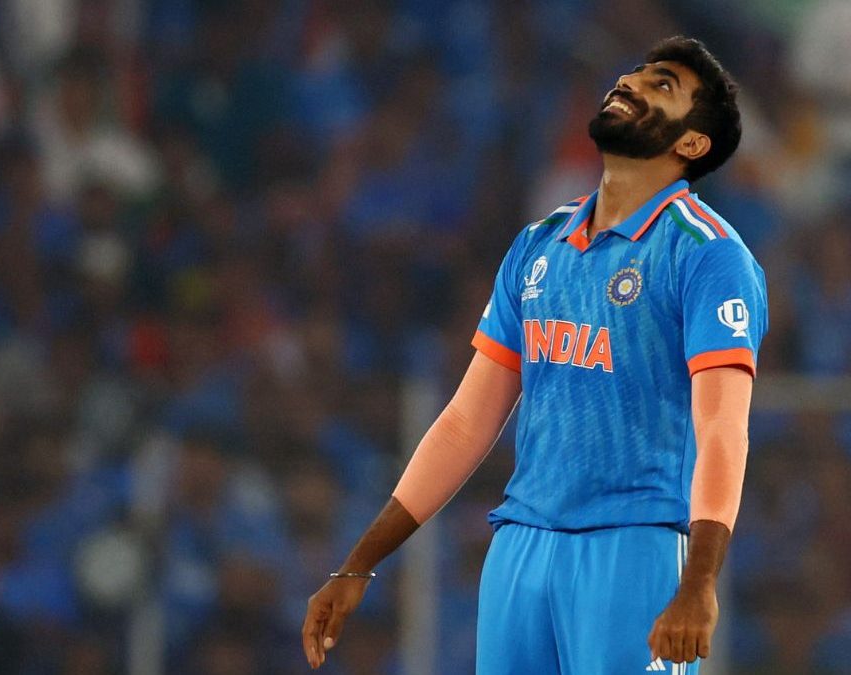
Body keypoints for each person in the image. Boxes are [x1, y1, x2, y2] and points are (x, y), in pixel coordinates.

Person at [301, 36, 767, 674]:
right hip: (520, 547)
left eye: (662, 86)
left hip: (633, 549)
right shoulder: (538, 243)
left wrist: (699, 583)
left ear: (691, 143)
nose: (629, 82)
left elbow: (723, 429)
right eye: (635, 72)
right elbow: (467, 421)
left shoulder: (708, 253)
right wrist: (360, 561)